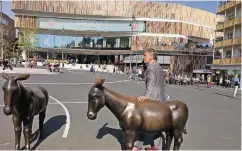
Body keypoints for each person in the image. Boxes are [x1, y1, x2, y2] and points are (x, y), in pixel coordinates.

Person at [133, 48, 166, 151]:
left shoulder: (151, 67)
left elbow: (151, 82)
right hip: (161, 98)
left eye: (145, 55)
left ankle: (138, 146)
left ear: (151, 56)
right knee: (157, 124)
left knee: (142, 121)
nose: (144, 57)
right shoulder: (160, 67)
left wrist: (146, 96)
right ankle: (152, 146)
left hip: (153, 99)